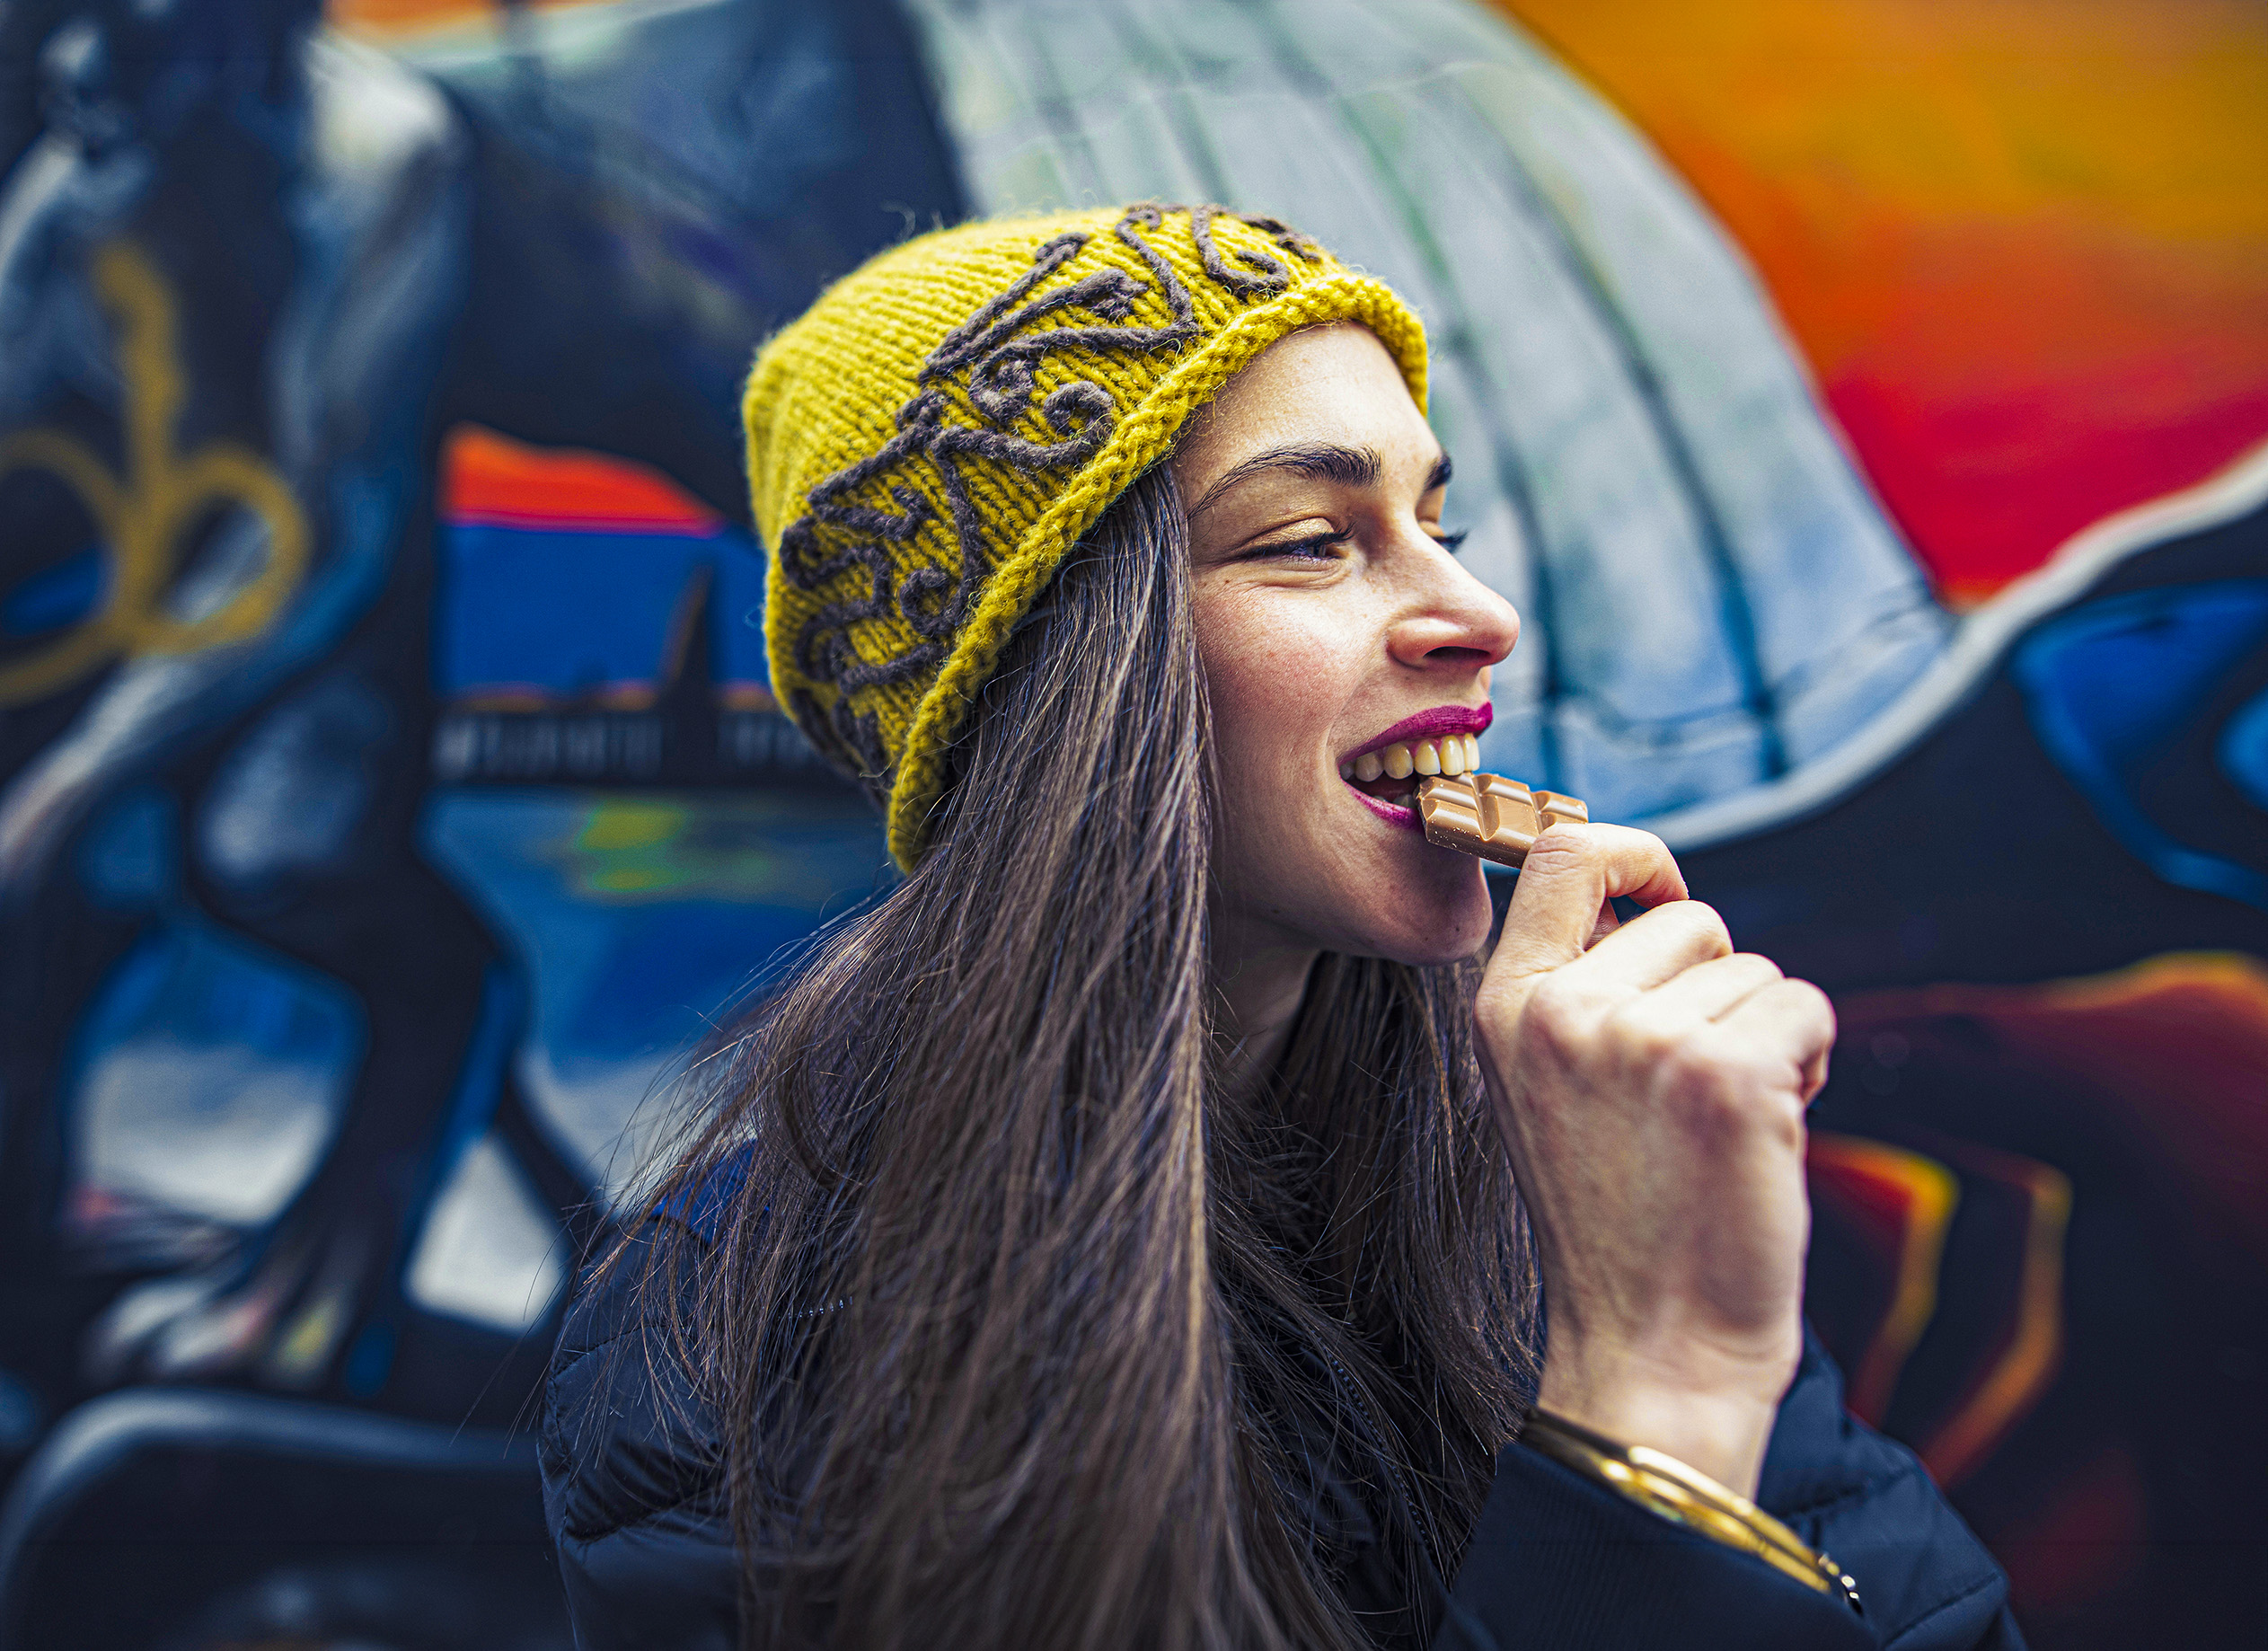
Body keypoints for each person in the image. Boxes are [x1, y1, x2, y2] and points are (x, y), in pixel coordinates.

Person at [539, 204, 2022, 1651]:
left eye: (1436, 522)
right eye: (1313, 539)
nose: (1480, 613)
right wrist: (1649, 1408)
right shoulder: (728, 1346)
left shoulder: (1567, 1174)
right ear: (1053, 691)